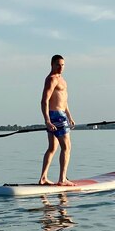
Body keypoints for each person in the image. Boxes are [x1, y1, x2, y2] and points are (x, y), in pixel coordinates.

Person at [39, 55, 76, 186]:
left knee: (53, 147)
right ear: (52, 65)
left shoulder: (62, 80)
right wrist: (47, 121)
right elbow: (44, 101)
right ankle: (62, 179)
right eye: (58, 65)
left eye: (63, 65)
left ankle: (43, 178)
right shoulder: (52, 79)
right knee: (67, 147)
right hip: (56, 116)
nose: (61, 67)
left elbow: (64, 101)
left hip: (61, 114)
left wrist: (69, 116)